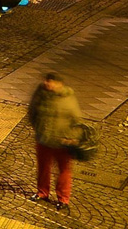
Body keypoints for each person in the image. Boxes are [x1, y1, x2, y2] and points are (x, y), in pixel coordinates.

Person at [28, 71, 84, 208]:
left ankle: (63, 198)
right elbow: (32, 112)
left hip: (62, 141)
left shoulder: (67, 97)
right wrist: (38, 128)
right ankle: (42, 192)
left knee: (64, 170)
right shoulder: (40, 93)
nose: (48, 83)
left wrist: (72, 138)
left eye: (51, 81)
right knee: (43, 168)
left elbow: (76, 120)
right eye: (47, 80)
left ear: (60, 84)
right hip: (44, 138)